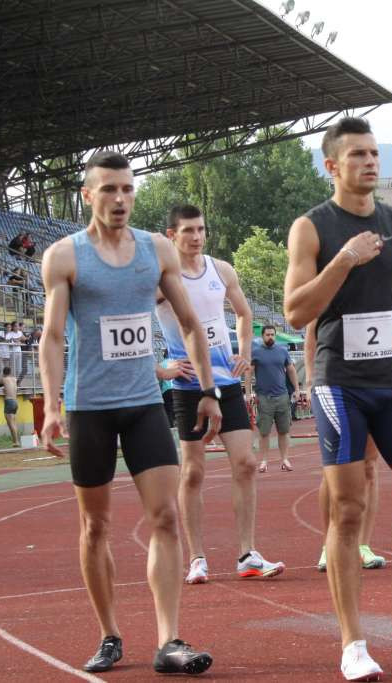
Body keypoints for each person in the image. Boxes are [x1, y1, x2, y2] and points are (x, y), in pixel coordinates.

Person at [283, 117, 392, 680]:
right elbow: (295, 312)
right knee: (349, 509)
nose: (370, 162)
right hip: (339, 384)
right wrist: (345, 260)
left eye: (375, 153)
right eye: (358, 154)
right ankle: (353, 642)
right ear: (332, 165)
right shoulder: (311, 229)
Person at [38, 151, 219, 675]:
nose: (120, 199)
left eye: (128, 189)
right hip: (90, 407)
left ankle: (169, 642)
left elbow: (189, 322)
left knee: (164, 517)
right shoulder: (64, 257)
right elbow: (52, 337)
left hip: (143, 403)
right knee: (95, 526)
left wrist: (207, 389)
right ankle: (110, 634)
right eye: (110, 190)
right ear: (88, 196)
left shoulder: (155, 249)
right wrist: (51, 406)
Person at [153, 204, 283, 586]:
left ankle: (247, 554)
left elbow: (243, 314)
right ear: (172, 234)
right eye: (189, 230)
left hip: (225, 381)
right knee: (193, 471)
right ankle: (196, 557)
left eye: (201, 229)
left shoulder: (221, 269)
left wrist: (244, 351)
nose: (197, 236)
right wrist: (162, 368)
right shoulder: (162, 279)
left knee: (245, 463)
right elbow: (133, 322)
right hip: (188, 384)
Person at [304, 319, 387, 572]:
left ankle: (363, 545)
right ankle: (328, 546)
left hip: (376, 384)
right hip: (335, 385)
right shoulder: (329, 284)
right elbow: (311, 335)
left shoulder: (383, 286)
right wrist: (310, 382)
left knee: (370, 467)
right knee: (334, 470)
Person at [251, 324, 299, 473]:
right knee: (264, 432)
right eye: (267, 335)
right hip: (264, 397)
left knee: (284, 430)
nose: (270, 337)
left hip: (282, 396)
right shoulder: (255, 352)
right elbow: (248, 373)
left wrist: (297, 389)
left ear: (275, 335)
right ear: (262, 336)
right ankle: (264, 461)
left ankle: (285, 459)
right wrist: (248, 393)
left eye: (272, 335)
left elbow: (291, 370)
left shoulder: (283, 351)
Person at [0, 366, 19, 445]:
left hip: (9, 401)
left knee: (10, 423)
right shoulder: (14, 379)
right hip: (15, 402)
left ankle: (16, 441)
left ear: (3, 373)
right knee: (13, 422)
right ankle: (15, 440)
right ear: (10, 372)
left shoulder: (4, 379)